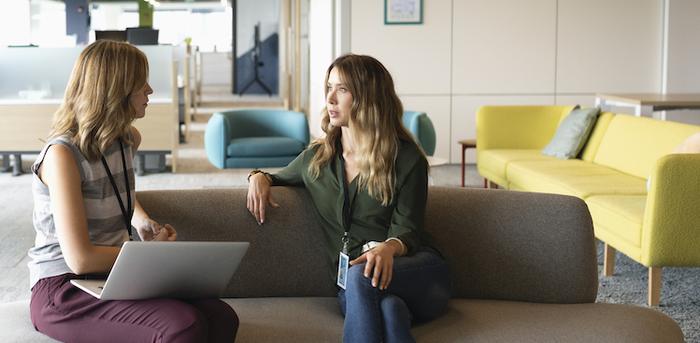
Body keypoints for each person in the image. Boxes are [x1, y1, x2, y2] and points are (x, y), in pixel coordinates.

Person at [28, 40, 238, 343]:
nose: (150, 90)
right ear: (114, 89)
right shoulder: (62, 155)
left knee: (221, 317)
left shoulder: (127, 139)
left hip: (114, 276)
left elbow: (109, 188)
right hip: (63, 286)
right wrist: (151, 257)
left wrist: (140, 220)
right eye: (141, 83)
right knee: (184, 326)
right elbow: (81, 259)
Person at [247, 54, 450, 342]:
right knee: (390, 311)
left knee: (362, 276)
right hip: (353, 285)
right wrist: (257, 177)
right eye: (329, 87)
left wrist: (389, 248)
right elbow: (275, 176)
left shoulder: (406, 158)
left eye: (342, 89)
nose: (330, 98)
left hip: (414, 272)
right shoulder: (317, 159)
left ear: (368, 96)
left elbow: (409, 229)